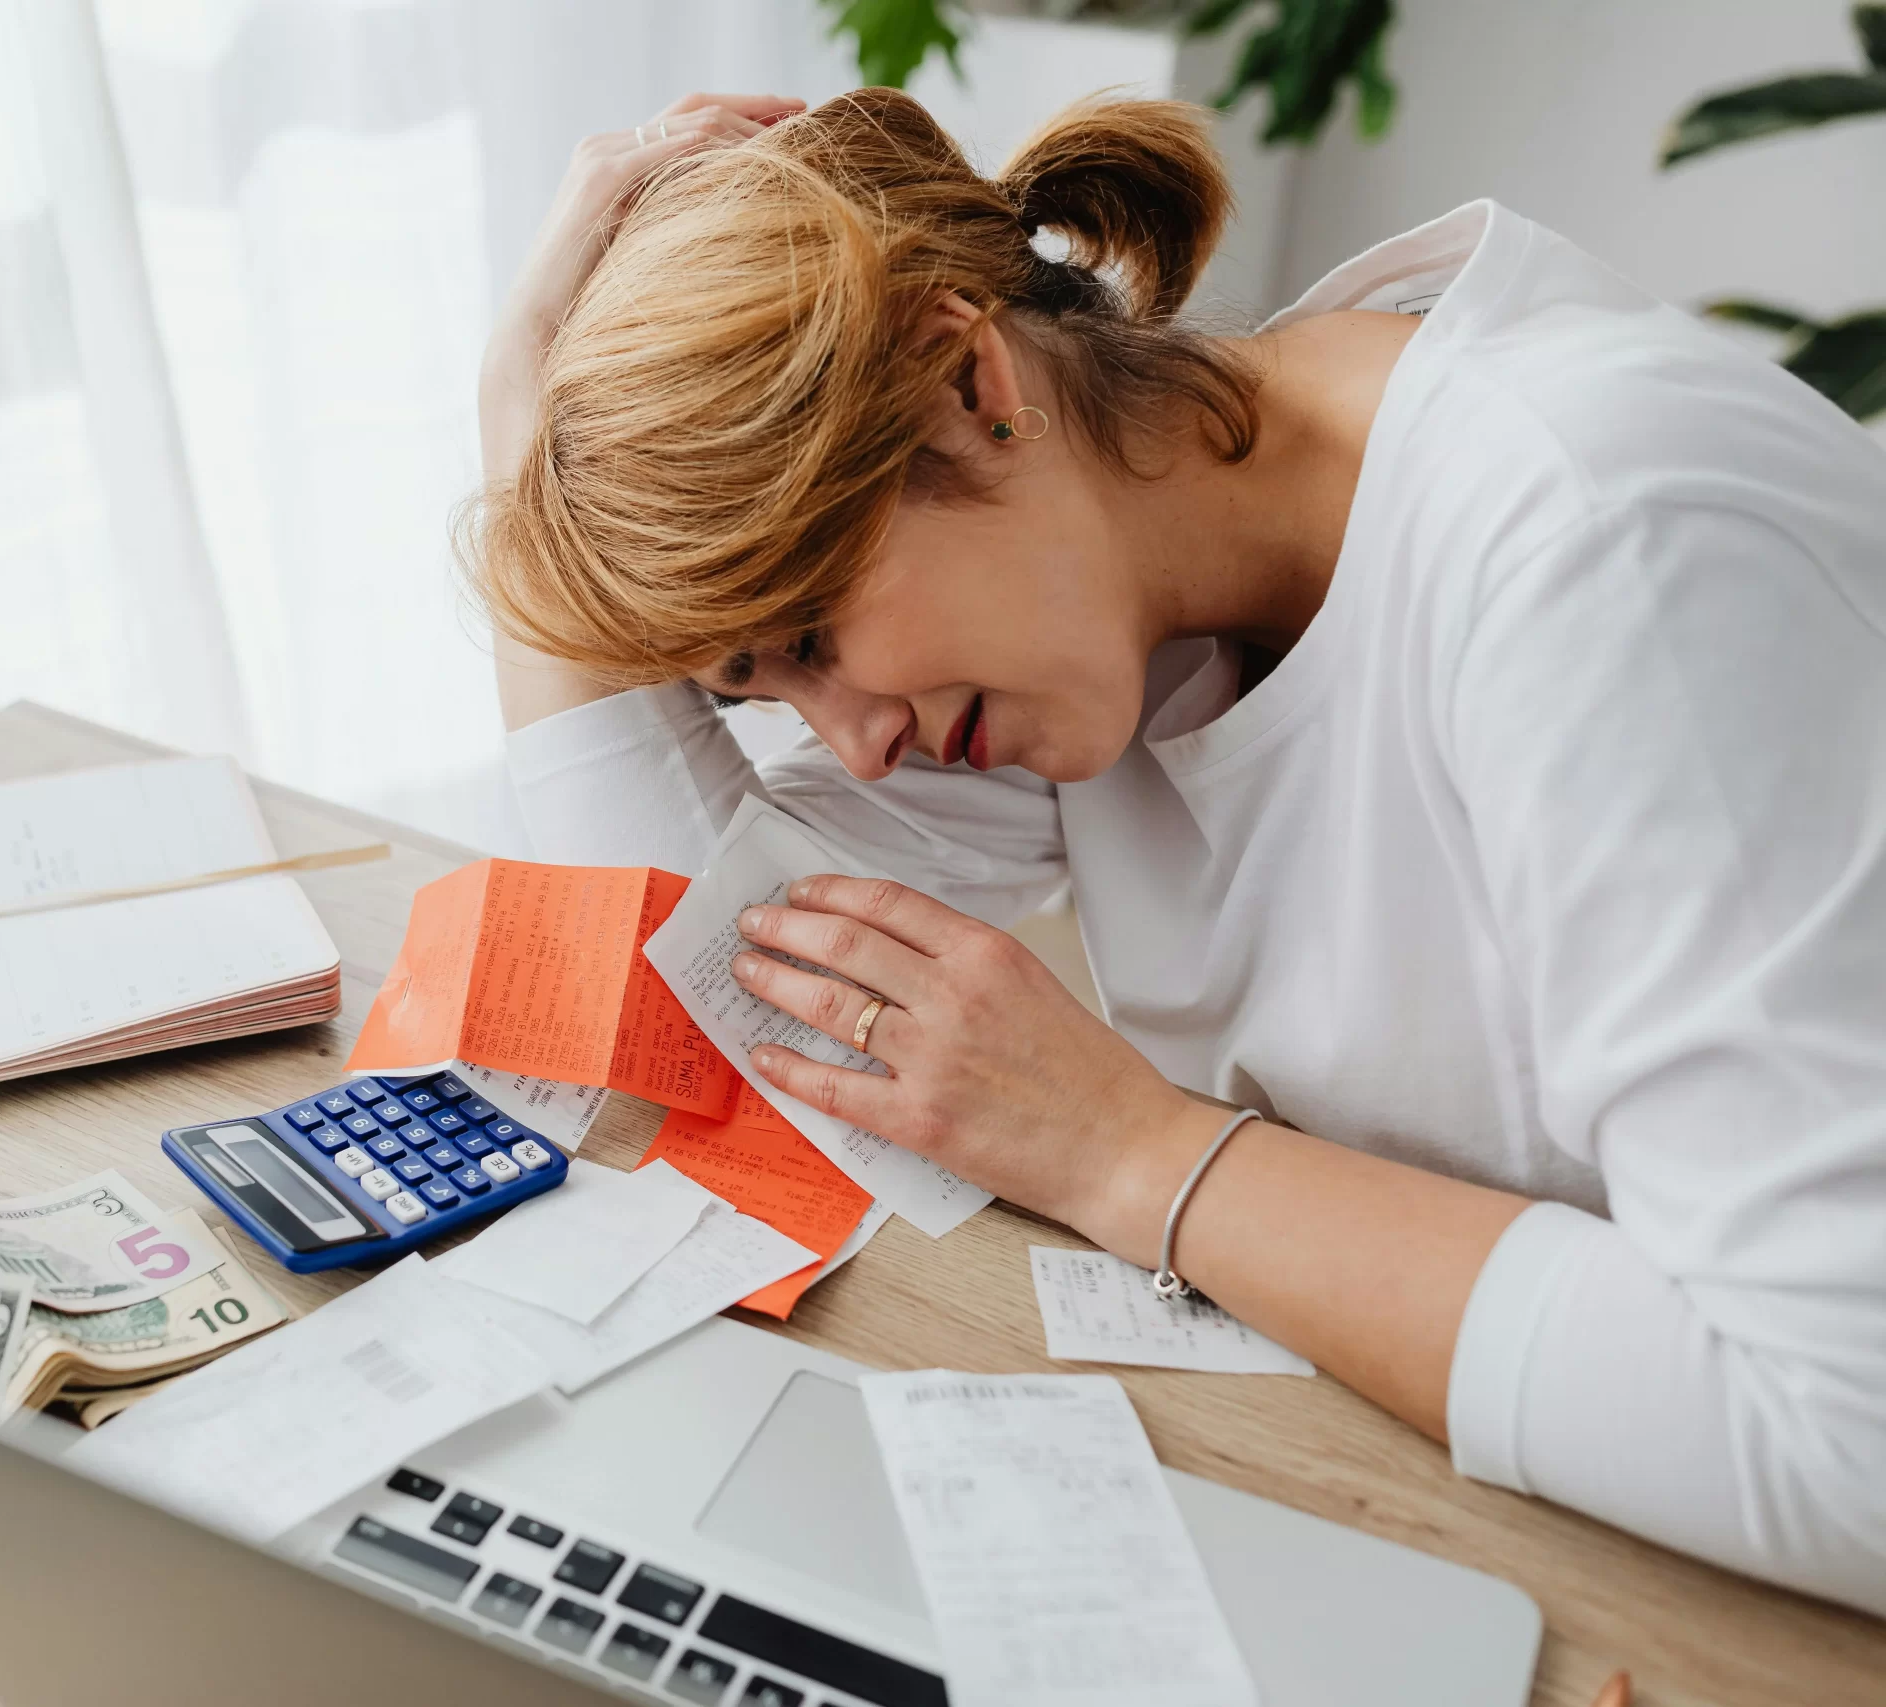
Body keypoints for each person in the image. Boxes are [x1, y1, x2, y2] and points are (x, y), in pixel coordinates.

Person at [472, 88, 1886, 1615]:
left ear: (967, 382)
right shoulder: (1137, 580)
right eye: (767, 689)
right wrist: (517, 447)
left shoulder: (1605, 545)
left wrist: (1130, 1150)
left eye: (817, 636)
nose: (855, 738)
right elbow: (735, 998)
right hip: (1501, 1513)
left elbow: (1847, 1438)